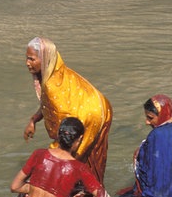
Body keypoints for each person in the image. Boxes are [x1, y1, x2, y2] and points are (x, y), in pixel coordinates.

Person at [23, 37, 112, 183]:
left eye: (32, 59)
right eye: (27, 58)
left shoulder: (52, 86)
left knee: (64, 159)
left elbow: (64, 128)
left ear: (45, 59)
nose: (27, 63)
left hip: (91, 115)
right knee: (83, 160)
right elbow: (49, 105)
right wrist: (33, 120)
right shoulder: (55, 70)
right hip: (98, 106)